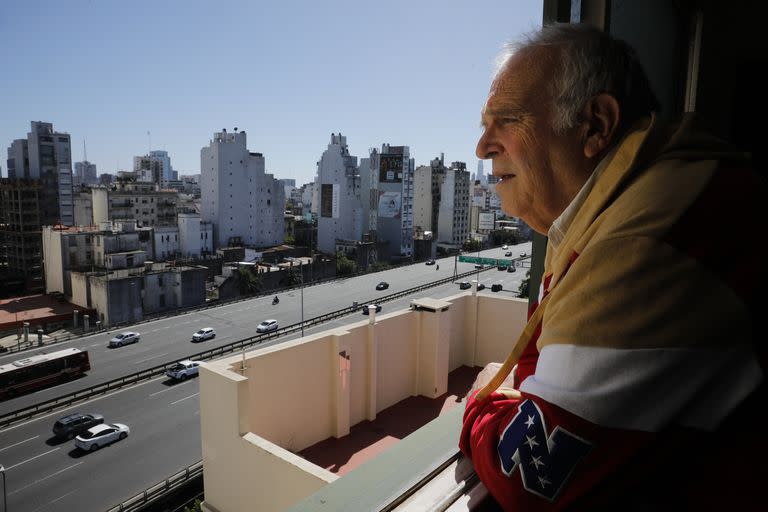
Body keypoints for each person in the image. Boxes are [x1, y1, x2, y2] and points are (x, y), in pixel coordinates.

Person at [460, 23, 765, 510]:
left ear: (596, 126)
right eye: (483, 127)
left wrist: (481, 402)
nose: (483, 147)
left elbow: (529, 479)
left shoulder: (648, 231)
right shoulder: (605, 213)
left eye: (507, 121)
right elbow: (539, 360)